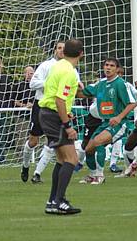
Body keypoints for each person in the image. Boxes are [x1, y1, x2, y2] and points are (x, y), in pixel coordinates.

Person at [40, 38, 84, 215]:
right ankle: (59, 201)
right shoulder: (69, 72)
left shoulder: (57, 65)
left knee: (61, 159)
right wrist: (67, 125)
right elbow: (60, 99)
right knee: (72, 159)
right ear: (81, 53)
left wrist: (67, 112)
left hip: (47, 113)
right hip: (54, 117)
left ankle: (52, 201)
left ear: (63, 52)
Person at [78, 58, 137, 185]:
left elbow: (132, 104)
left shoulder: (121, 84)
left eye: (111, 66)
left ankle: (100, 176)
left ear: (117, 69)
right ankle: (93, 175)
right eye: (106, 65)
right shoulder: (101, 84)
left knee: (98, 142)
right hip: (104, 123)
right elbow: (82, 93)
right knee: (88, 149)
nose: (108, 68)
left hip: (120, 124)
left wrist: (119, 117)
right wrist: (71, 87)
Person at [21, 41, 65, 184]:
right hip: (40, 106)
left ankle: (37, 174)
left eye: (64, 49)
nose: (61, 51)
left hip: (58, 107)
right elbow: (32, 84)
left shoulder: (69, 68)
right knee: (33, 141)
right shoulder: (46, 66)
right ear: (54, 50)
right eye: (59, 48)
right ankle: (25, 166)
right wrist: (49, 84)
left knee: (52, 141)